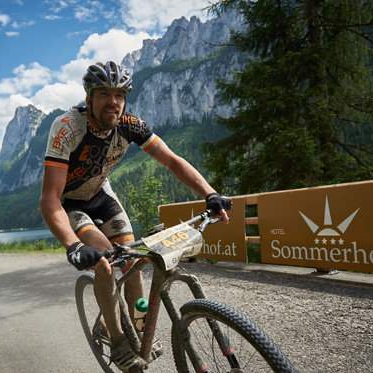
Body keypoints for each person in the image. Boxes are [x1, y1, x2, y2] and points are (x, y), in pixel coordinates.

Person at [40, 61, 232, 371]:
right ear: (88, 97)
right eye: (103, 93)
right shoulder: (67, 128)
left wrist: (209, 193)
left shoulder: (130, 125)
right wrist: (72, 245)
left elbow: (172, 161)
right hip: (71, 204)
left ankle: (139, 323)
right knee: (104, 260)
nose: (112, 102)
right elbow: (49, 199)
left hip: (102, 196)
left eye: (119, 94)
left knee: (130, 257)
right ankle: (118, 340)